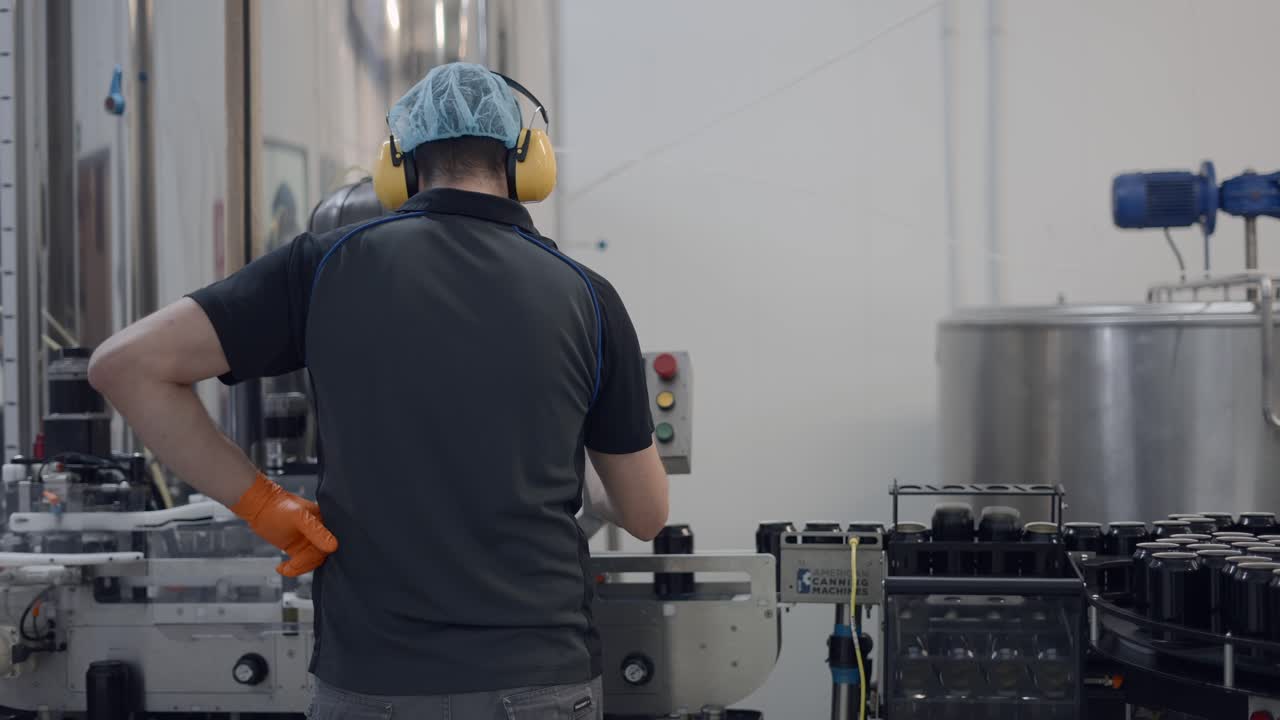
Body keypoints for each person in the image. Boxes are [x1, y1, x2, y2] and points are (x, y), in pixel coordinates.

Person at [88, 62, 669, 719]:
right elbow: (646, 514)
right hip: (539, 679)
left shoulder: (325, 266)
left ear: (397, 166)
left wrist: (262, 504)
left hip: (371, 685)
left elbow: (125, 366)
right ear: (526, 162)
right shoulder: (588, 297)